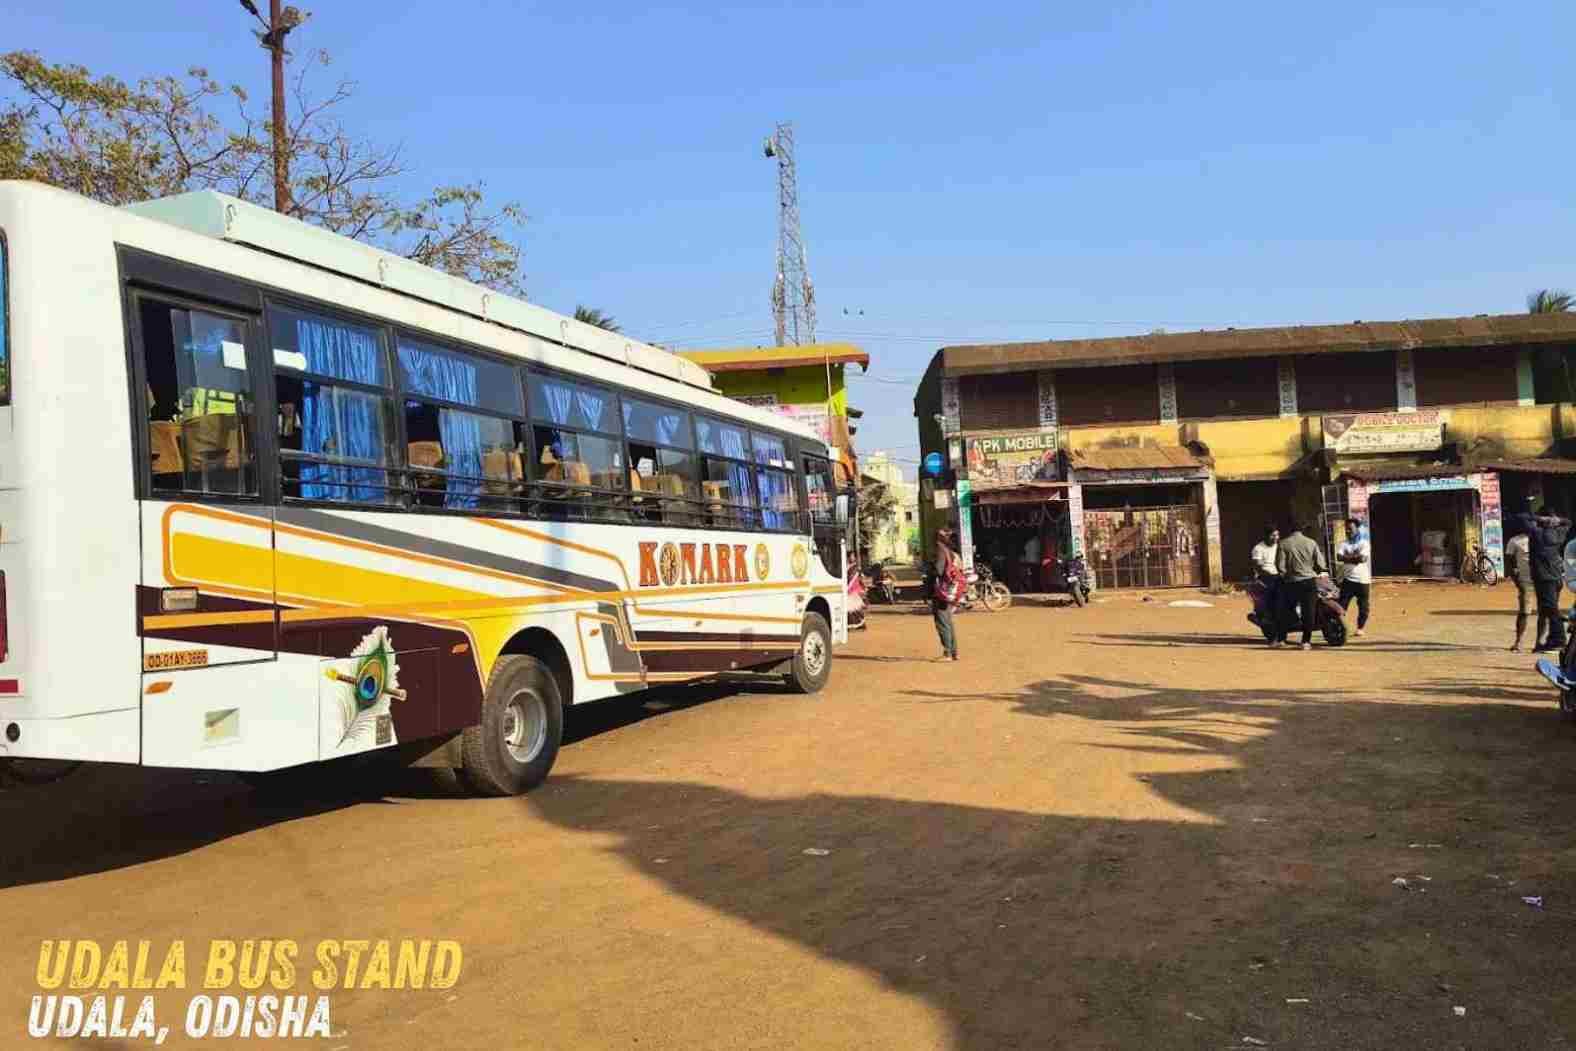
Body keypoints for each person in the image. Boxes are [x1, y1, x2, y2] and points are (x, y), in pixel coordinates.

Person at [1274, 520, 1328, 650]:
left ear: (1289, 530)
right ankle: (1306, 642)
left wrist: (1286, 575)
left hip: (1291, 582)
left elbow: (1280, 566)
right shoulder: (1311, 543)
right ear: (1302, 529)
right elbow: (1321, 564)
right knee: (1308, 612)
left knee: (1285, 611)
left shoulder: (1283, 544)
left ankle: (1281, 639)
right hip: (1309, 582)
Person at [1527, 505, 1571, 653]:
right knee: (1546, 609)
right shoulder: (1559, 533)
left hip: (1544, 579)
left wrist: (1540, 518)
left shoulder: (1537, 534)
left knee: (1551, 609)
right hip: (1556, 577)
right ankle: (1547, 641)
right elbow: (1568, 522)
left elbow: (1524, 518)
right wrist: (1556, 520)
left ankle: (1558, 640)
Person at [926, 529, 962, 662]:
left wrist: (929, 569)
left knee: (942, 622)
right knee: (948, 621)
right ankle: (954, 652)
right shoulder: (949, 551)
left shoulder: (940, 550)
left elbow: (939, 570)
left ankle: (947, 653)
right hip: (948, 590)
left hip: (941, 591)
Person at [1335, 517, 1372, 638]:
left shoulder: (1364, 543)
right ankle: (1338, 628)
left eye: (1350, 529)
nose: (1348, 531)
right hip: (1348, 580)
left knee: (1364, 607)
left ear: (1357, 529)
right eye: (1347, 529)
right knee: (1340, 606)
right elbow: (1338, 557)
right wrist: (1354, 558)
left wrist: (1348, 557)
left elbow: (1362, 559)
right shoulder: (1343, 544)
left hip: (1363, 580)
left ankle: (1360, 628)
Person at [1505, 525, 1534, 652]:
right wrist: (1517, 581)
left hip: (1543, 580)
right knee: (1524, 611)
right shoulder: (1514, 541)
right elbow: (1509, 562)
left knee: (1546, 612)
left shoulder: (1539, 538)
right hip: (1525, 582)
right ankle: (1519, 641)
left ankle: (1541, 642)